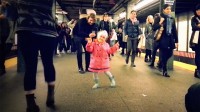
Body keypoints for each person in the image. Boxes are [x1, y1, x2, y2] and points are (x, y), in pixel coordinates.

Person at [16, 0, 58, 111]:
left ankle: (30, 103)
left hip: (26, 27)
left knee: (30, 67)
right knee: (48, 63)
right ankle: (50, 94)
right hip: (47, 28)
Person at [154, 4, 178, 77]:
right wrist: (160, 22)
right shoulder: (159, 17)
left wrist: (176, 41)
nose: (169, 10)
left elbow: (174, 30)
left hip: (170, 38)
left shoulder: (172, 19)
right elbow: (154, 27)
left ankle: (160, 63)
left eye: (170, 9)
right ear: (163, 10)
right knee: (164, 54)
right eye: (167, 9)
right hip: (162, 38)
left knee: (170, 54)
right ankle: (165, 70)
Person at [0, 0, 15, 76]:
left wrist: (11, 38)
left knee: (4, 52)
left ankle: (2, 68)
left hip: (7, 37)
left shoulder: (10, 10)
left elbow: (12, 26)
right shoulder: (2, 9)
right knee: (1, 53)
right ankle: (2, 68)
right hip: (2, 36)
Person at [190, 4, 200, 78]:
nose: (198, 11)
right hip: (197, 41)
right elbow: (194, 27)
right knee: (198, 55)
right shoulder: (194, 18)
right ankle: (198, 70)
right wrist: (197, 26)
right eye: (197, 10)